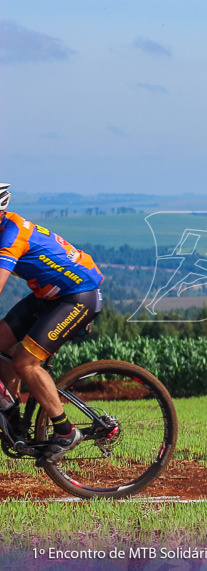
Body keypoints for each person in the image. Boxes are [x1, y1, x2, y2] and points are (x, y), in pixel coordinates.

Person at [0, 183, 104, 463]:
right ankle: (13, 419)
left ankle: (65, 431)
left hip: (78, 296)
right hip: (49, 296)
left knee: (25, 362)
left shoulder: (12, 234)